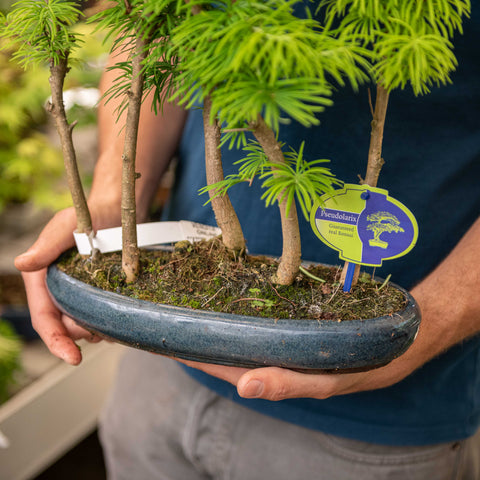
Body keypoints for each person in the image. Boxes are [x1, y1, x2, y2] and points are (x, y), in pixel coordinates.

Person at [15, 4, 480, 480]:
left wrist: (418, 330)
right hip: (161, 366)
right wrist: (111, 199)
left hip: (380, 424)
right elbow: (151, 26)